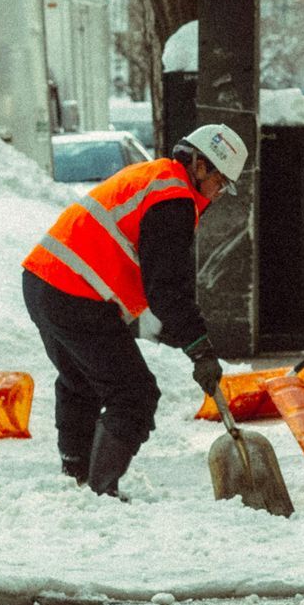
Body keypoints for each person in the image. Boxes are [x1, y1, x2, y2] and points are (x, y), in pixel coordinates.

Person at [23, 123, 247, 496]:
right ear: (200, 166)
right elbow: (166, 290)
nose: (220, 193)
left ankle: (77, 479)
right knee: (135, 394)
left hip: (44, 281)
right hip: (74, 291)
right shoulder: (173, 199)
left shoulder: (157, 177)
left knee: (81, 382)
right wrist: (200, 348)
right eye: (221, 182)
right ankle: (100, 490)